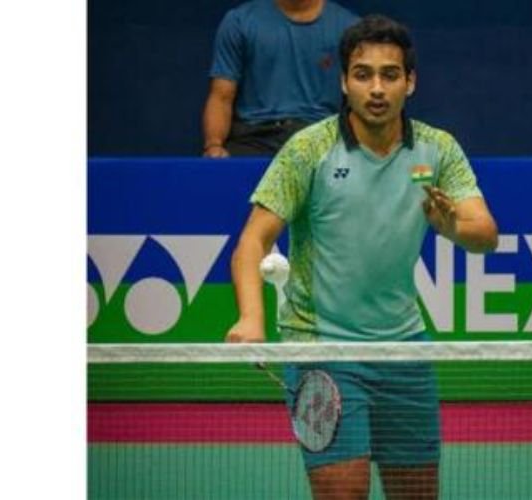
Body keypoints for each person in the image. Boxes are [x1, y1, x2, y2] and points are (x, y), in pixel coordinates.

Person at [226, 14, 498, 499]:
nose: (376, 88)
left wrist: (451, 225)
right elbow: (252, 241)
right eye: (362, 74)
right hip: (322, 350)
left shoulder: (437, 149)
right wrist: (251, 317)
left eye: (389, 75)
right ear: (344, 82)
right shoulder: (308, 150)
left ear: (410, 82)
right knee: (344, 493)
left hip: (404, 349)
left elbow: (486, 235)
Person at [202, 0, 359, 157]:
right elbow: (222, 96)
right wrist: (214, 145)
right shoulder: (239, 22)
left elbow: (359, 101)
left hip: (321, 139)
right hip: (254, 139)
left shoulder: (350, 29)